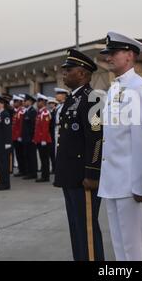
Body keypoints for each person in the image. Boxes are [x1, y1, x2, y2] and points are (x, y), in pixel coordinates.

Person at [98, 32, 142, 261]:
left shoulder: (138, 88)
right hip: (114, 181)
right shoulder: (116, 88)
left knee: (137, 248)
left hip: (131, 185)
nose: (108, 57)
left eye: (113, 53)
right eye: (107, 53)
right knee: (121, 247)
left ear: (130, 56)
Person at [53, 49, 104, 261]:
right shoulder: (72, 99)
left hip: (83, 178)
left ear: (82, 73)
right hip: (69, 175)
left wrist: (92, 173)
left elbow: (96, 139)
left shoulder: (92, 99)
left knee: (87, 228)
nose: (64, 73)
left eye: (69, 70)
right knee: (75, 226)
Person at [0, 95, 13, 191]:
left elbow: (7, 130)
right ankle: (1, 182)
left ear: (1, 104)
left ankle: (5, 184)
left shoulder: (5, 115)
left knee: (4, 164)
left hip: (4, 144)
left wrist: (8, 143)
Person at [33, 93, 52, 183]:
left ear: (43, 102)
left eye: (39, 101)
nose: (37, 103)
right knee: (42, 158)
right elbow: (37, 128)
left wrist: (43, 139)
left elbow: (45, 127)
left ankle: (45, 176)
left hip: (44, 140)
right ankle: (44, 175)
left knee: (44, 159)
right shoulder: (39, 112)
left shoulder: (45, 113)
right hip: (40, 140)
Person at [21, 94, 38, 180]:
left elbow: (33, 126)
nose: (24, 102)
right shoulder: (27, 111)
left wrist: (32, 138)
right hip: (26, 138)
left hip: (30, 138)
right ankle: (29, 172)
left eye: (25, 101)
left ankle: (33, 173)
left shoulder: (33, 112)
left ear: (30, 102)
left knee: (31, 156)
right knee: (26, 155)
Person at [52, 88, 69, 168]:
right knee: (56, 151)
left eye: (58, 94)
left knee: (61, 151)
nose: (56, 96)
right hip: (57, 129)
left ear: (63, 95)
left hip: (61, 129)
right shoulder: (59, 106)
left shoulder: (66, 105)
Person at [12, 95, 25, 177]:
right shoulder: (17, 111)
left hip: (19, 136)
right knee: (18, 154)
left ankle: (23, 169)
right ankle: (21, 169)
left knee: (21, 154)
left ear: (19, 102)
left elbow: (20, 125)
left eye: (15, 102)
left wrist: (20, 135)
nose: (14, 103)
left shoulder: (21, 112)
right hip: (15, 136)